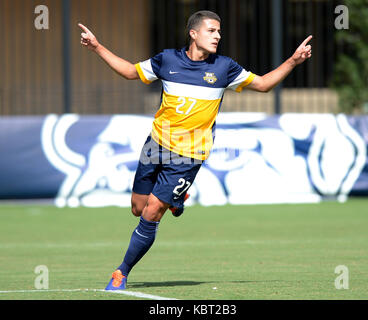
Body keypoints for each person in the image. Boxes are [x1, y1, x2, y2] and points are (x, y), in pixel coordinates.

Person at [78, 10, 312, 290]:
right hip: (155, 146)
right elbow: (130, 72)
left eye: (219, 32)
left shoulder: (224, 67)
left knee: (151, 212)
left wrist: (293, 61)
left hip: (189, 156)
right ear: (193, 33)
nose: (218, 36)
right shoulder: (166, 60)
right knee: (137, 208)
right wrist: (97, 47)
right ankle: (178, 198)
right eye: (212, 31)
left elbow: (262, 85)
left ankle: (121, 272)